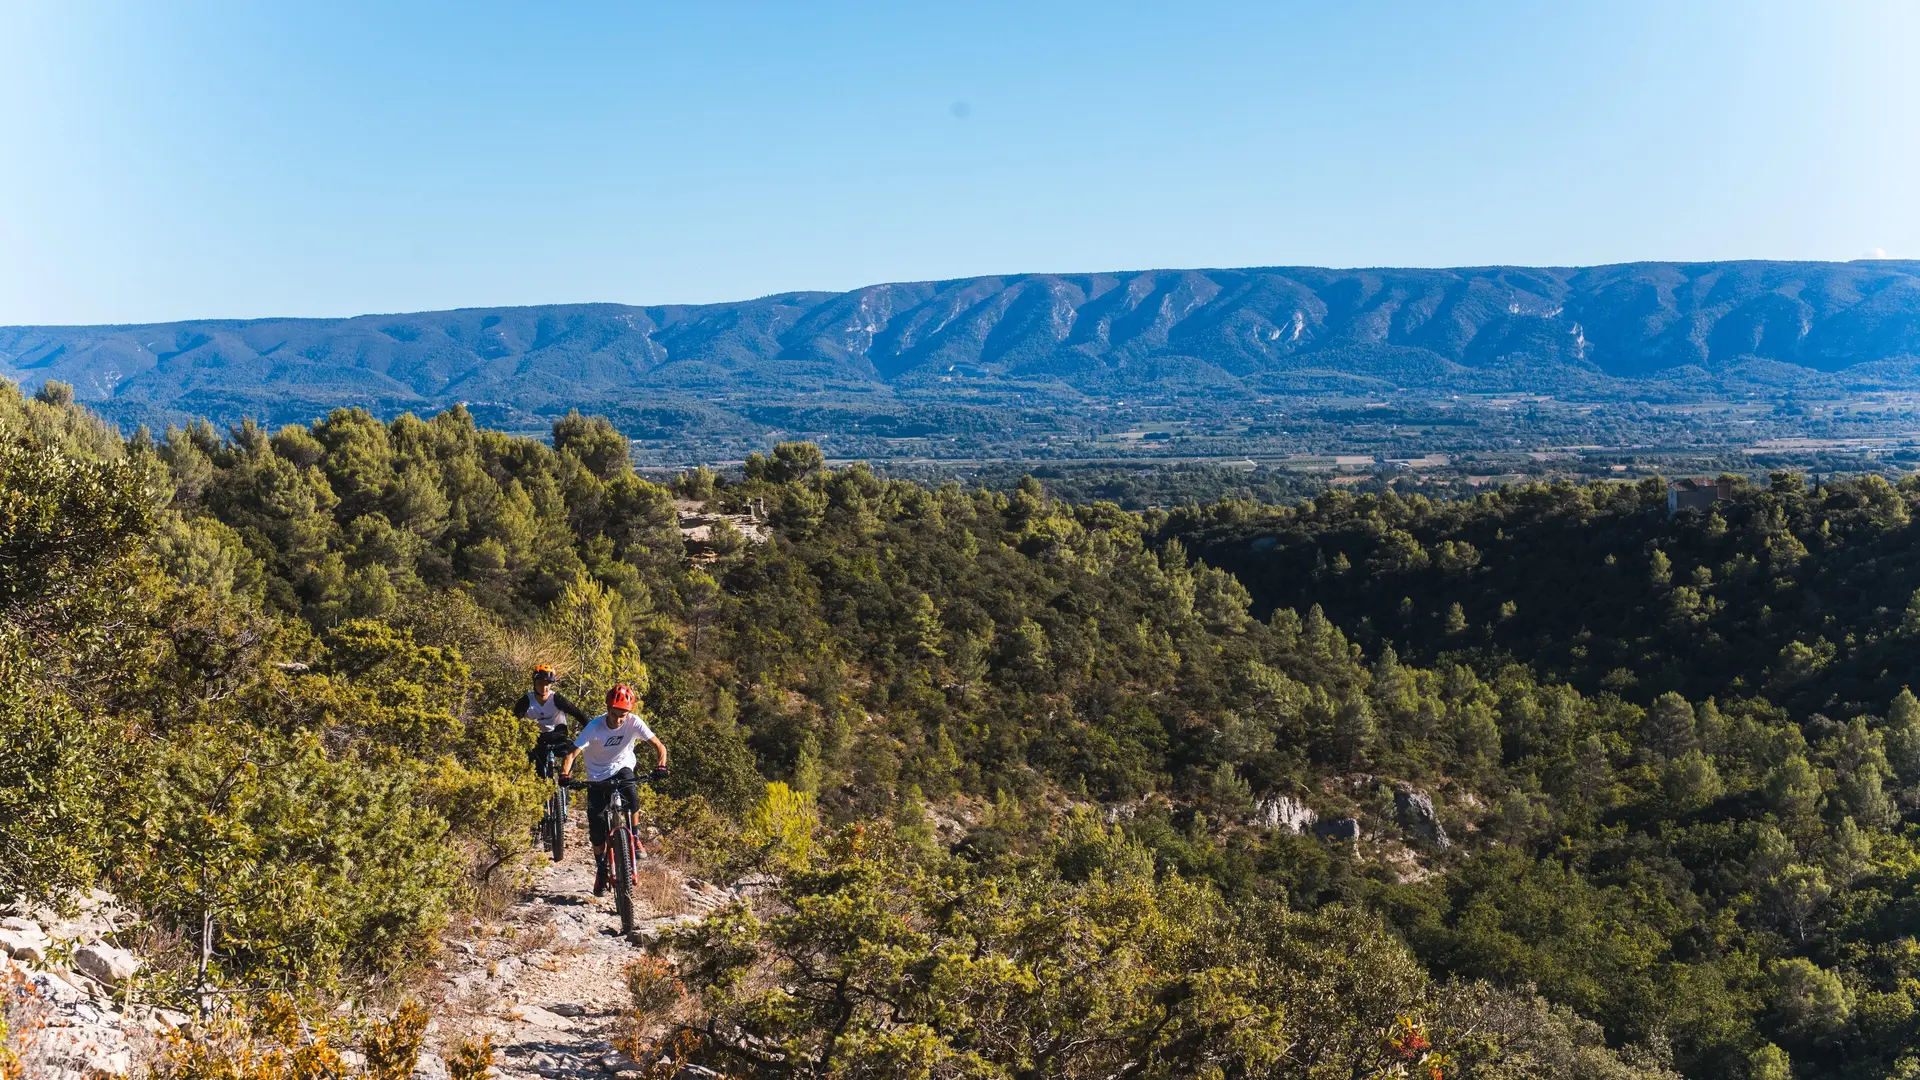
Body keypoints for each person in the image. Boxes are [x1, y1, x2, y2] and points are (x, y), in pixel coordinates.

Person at [560, 683, 669, 896]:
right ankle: (601, 869)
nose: (619, 719)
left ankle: (635, 838)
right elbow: (571, 754)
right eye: (614, 713)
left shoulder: (634, 722)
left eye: (623, 715)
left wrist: (661, 765)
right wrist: (565, 775)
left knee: (632, 794)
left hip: (622, 768)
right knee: (597, 826)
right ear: (607, 708)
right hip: (597, 776)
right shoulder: (594, 727)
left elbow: (659, 746)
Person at [515, 665, 590, 778]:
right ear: (534, 682)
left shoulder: (556, 699)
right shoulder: (526, 701)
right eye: (540, 683)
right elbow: (513, 721)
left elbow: (577, 713)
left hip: (558, 736)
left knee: (571, 752)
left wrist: (591, 730)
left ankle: (565, 780)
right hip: (537, 739)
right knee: (539, 773)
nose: (544, 688)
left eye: (547, 684)